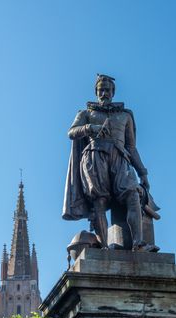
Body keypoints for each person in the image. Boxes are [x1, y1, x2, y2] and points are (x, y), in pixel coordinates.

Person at [63, 74, 150, 250]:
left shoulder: (125, 115)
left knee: (133, 195)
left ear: (113, 92)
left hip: (120, 157)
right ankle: (104, 247)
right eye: (101, 90)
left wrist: (143, 172)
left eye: (107, 90)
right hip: (95, 156)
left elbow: (131, 148)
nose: (104, 93)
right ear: (96, 92)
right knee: (99, 201)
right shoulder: (86, 113)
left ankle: (138, 244)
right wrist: (89, 128)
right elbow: (71, 132)